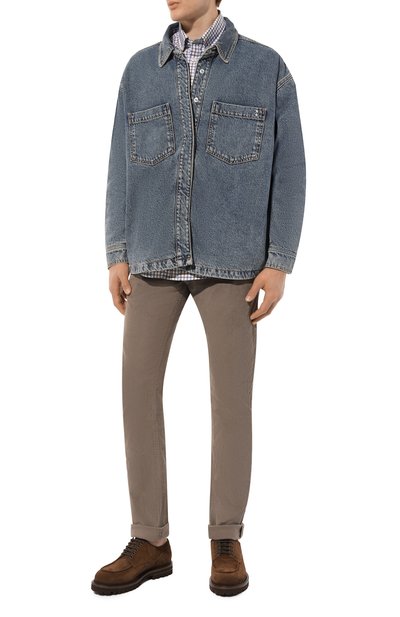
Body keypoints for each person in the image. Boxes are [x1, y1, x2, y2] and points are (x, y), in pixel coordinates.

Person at [91, 0, 306, 597]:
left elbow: (290, 170)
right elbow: (119, 164)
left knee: (231, 402)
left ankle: (225, 537)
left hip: (234, 260)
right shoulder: (139, 70)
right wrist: (116, 251)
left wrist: (278, 261)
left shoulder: (265, 68)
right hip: (152, 254)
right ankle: (150, 540)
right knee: (136, 393)